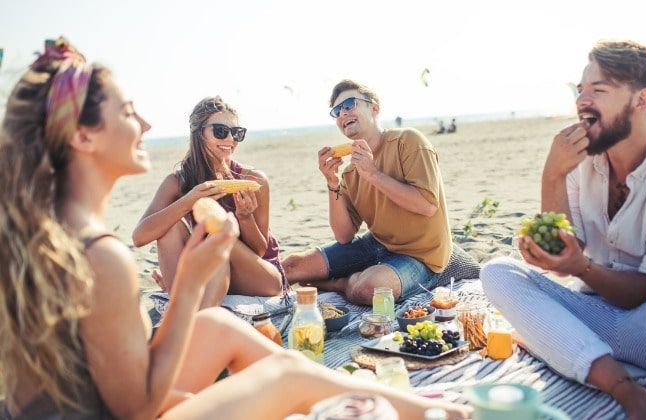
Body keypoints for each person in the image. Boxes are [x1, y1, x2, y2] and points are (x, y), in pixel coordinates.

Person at [0, 38, 471, 420]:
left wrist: (240, 225)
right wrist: (187, 285)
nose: (145, 123)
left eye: (234, 132)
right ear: (82, 137)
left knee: (221, 326)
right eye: (128, 113)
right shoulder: (104, 257)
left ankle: (424, 409)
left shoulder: (47, 228)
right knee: (285, 377)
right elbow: (136, 407)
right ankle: (444, 415)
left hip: (82, 402)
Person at [480, 40, 646, 419]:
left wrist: (580, 267)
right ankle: (631, 394)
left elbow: (640, 294)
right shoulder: (579, 160)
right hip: (592, 313)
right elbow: (561, 254)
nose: (582, 100)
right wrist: (552, 174)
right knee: (497, 272)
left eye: (598, 90)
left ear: (641, 99)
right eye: (581, 89)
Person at [282, 79, 453, 305]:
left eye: (350, 104)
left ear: (375, 108)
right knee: (290, 266)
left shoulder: (409, 141)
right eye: (337, 111)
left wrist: (372, 174)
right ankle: (351, 276)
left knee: (369, 289)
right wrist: (332, 181)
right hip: (378, 244)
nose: (343, 113)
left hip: (422, 255)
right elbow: (344, 235)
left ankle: (340, 283)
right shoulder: (351, 172)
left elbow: (427, 205)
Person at [132, 96, 284, 308]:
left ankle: (192, 306)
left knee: (219, 237)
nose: (230, 139)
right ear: (199, 133)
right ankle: (186, 304)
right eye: (221, 131)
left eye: (237, 133)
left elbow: (259, 251)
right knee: (169, 227)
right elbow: (140, 237)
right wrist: (189, 199)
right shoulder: (177, 182)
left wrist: (245, 217)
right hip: (212, 273)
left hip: (262, 278)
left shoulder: (253, 179)